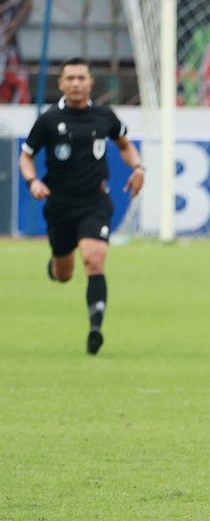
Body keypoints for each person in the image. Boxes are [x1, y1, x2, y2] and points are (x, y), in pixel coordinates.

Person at [19, 57, 144, 355]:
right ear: (61, 84)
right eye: (70, 78)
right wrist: (33, 182)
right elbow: (26, 156)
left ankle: (95, 329)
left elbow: (125, 145)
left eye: (81, 78)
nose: (76, 83)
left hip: (94, 201)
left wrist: (138, 167)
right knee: (64, 274)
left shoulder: (104, 116)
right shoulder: (49, 120)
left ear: (90, 83)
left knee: (94, 259)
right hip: (60, 205)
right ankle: (55, 265)